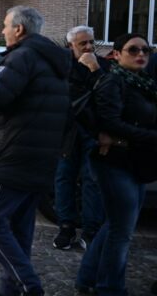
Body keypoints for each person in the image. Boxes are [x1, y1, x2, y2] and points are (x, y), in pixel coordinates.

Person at [0, 6, 70, 296]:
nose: (3, 31)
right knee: (20, 229)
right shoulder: (52, 61)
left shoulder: (23, 56)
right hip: (39, 159)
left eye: (6, 26)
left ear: (19, 29)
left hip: (13, 158)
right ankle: (9, 291)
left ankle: (29, 287)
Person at [75, 33, 157, 295]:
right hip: (114, 162)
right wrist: (152, 137)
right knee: (122, 230)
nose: (141, 54)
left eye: (146, 50)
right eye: (133, 50)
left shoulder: (145, 84)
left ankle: (87, 279)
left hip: (137, 163)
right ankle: (109, 288)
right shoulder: (113, 81)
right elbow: (110, 122)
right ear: (117, 54)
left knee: (116, 225)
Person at [53, 26, 106, 250]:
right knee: (64, 178)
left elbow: (108, 96)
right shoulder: (63, 69)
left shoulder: (103, 67)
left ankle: (91, 229)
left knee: (91, 180)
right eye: (82, 43)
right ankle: (66, 226)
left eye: (91, 42)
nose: (88, 47)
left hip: (93, 133)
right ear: (70, 46)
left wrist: (95, 70)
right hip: (67, 132)